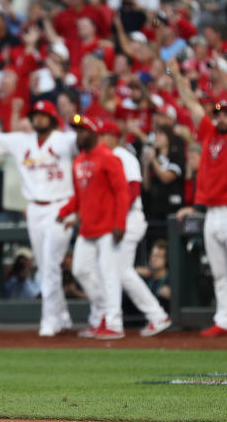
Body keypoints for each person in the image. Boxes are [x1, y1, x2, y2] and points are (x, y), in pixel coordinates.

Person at [0, 99, 77, 337]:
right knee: (46, 263)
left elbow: (89, 141)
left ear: (52, 118)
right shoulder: (22, 141)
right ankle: (62, 316)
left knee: (50, 263)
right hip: (35, 209)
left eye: (42, 114)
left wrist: (77, 118)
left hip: (60, 206)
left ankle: (49, 319)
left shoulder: (65, 139)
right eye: (35, 115)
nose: (38, 118)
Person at [171, 61, 227, 337]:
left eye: (225, 115)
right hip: (212, 213)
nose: (221, 119)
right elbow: (193, 105)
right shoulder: (210, 133)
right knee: (220, 272)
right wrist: (175, 76)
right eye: (218, 115)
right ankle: (225, 320)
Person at [57, 114, 129, 340]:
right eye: (77, 131)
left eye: (82, 131)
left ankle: (114, 323)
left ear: (92, 133)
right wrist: (64, 211)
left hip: (107, 227)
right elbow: (79, 196)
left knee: (110, 274)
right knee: (80, 270)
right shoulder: (78, 160)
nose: (78, 136)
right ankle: (102, 315)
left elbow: (122, 192)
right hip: (87, 228)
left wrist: (120, 223)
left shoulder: (108, 157)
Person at [98, 120, 171, 337]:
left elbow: (132, 189)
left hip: (128, 219)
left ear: (115, 137)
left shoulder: (123, 156)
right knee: (119, 271)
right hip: (122, 219)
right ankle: (154, 316)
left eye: (105, 135)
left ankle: (154, 316)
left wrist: (115, 218)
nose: (101, 139)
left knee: (120, 271)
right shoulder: (108, 158)